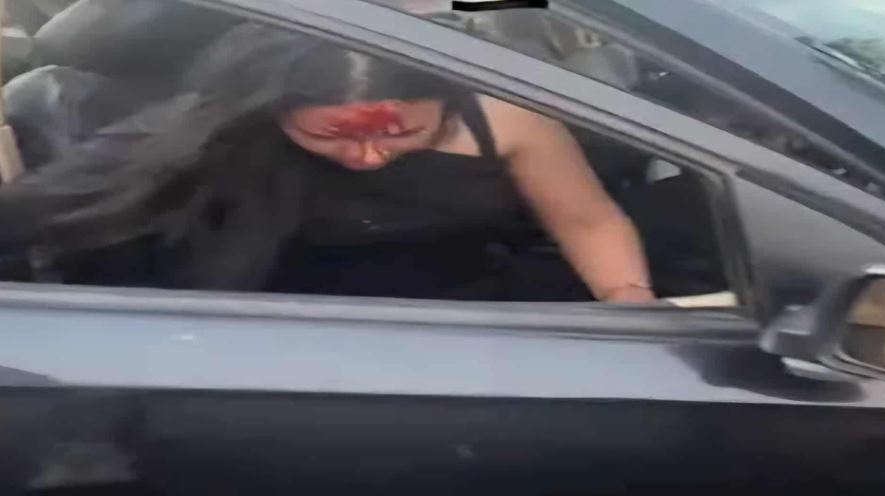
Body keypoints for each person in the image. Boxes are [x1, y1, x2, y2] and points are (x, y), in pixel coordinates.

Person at [0, 23, 654, 303]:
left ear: (447, 103)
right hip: (296, 317)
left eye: (402, 135)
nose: (368, 155)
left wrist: (629, 300)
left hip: (469, 304)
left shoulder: (507, 118)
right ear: (273, 113)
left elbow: (588, 220)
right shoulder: (214, 130)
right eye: (331, 139)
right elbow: (54, 207)